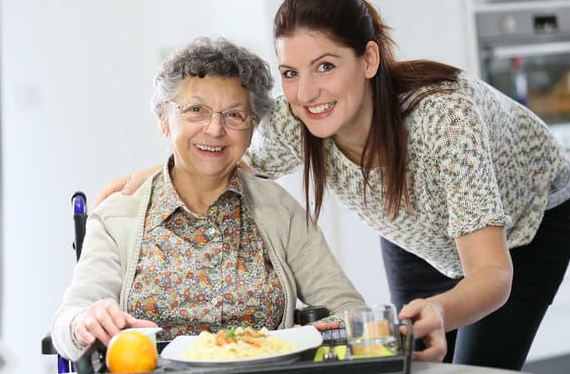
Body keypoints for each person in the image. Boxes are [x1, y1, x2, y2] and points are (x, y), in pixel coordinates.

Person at [94, 0, 570, 370]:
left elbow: (492, 273)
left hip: (524, 226)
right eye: (289, 72)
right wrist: (150, 176)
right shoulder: (294, 120)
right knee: (407, 361)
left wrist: (443, 309)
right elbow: (226, 158)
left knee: (474, 366)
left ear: (368, 60)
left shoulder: (443, 119)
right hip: (414, 232)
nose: (306, 93)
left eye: (325, 66)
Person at [51, 37, 369, 361]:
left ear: (252, 128)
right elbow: (68, 324)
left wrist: (294, 341)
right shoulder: (118, 217)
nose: (215, 129)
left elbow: (349, 311)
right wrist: (83, 322)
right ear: (164, 120)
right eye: (196, 110)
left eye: (234, 115)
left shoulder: (279, 210)